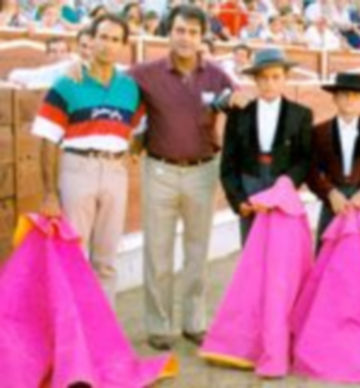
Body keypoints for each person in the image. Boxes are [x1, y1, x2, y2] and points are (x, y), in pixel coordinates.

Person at [128, 4, 235, 351]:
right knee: (157, 251)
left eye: (192, 31)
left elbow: (241, 99)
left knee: (197, 251)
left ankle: (194, 321)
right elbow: (109, 84)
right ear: (168, 32)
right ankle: (159, 325)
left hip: (203, 171)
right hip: (159, 169)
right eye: (179, 30)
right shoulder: (146, 72)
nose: (185, 38)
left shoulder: (218, 75)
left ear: (202, 35)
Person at [33, 14, 142, 307]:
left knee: (106, 259)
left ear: (123, 46)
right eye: (102, 37)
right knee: (73, 257)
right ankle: (71, 334)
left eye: (114, 39)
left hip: (115, 171)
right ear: (90, 41)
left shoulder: (130, 87)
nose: (107, 45)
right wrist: (49, 193)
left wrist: (132, 151)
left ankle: (101, 334)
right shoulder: (68, 82)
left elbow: (141, 126)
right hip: (77, 168)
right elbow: (46, 139)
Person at [219, 48, 313, 242]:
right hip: (250, 184)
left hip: (282, 184)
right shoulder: (239, 113)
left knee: (282, 249)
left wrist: (287, 184)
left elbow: (305, 158)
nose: (269, 83)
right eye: (263, 77)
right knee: (252, 247)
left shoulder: (301, 114)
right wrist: (238, 200)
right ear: (255, 80)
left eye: (276, 77)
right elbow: (228, 162)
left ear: (285, 77)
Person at [306, 72, 360, 249]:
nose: (349, 100)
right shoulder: (319, 132)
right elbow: (311, 170)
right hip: (333, 202)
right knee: (328, 258)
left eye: (355, 96)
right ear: (335, 98)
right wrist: (330, 193)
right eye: (344, 95)